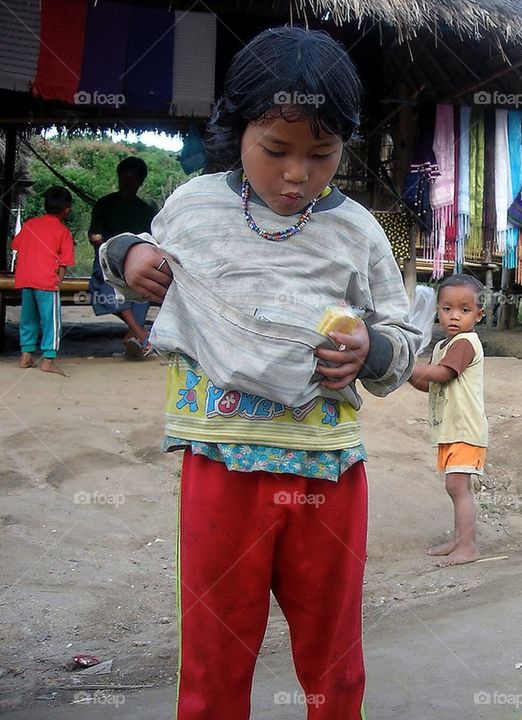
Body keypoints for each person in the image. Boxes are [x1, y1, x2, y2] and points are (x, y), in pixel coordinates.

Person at [98, 27, 420, 719]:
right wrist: (127, 255)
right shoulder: (193, 208)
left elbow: (403, 332)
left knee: (333, 660)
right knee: (214, 657)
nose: (297, 174)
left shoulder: (359, 230)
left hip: (327, 471)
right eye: (275, 150)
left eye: (321, 153)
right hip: (219, 465)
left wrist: (373, 350)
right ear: (236, 129)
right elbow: (127, 260)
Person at [409, 274, 488, 567]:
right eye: (447, 309)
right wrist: (405, 373)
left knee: (458, 487)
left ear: (478, 315)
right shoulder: (444, 346)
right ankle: (459, 539)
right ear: (438, 311)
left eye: (464, 310)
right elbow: (429, 383)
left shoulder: (466, 343)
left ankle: (467, 546)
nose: (455, 316)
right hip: (451, 429)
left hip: (466, 428)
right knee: (453, 486)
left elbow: (443, 374)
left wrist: (406, 362)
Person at [88, 156, 156, 358]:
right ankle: (142, 335)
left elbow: (152, 241)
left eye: (132, 178)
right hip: (107, 263)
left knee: (145, 288)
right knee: (109, 288)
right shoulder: (104, 204)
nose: (127, 182)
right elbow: (94, 234)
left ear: (140, 181)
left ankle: (133, 334)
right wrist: (96, 239)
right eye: (123, 178)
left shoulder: (146, 211)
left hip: (136, 264)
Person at [12, 186, 74, 376]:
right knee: (51, 322)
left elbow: (15, 245)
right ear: (67, 210)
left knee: (28, 318)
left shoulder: (31, 224)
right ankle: (48, 359)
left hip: (25, 279)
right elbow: (64, 262)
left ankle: (26, 355)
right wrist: (58, 283)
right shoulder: (63, 231)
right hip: (47, 281)